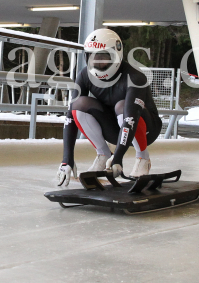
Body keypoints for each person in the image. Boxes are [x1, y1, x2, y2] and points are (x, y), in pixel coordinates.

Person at [56, 28, 161, 187]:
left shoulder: (135, 77)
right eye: (92, 57)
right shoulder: (84, 75)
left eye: (102, 57)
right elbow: (70, 116)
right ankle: (103, 154)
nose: (97, 63)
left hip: (145, 129)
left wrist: (118, 157)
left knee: (122, 105)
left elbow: (131, 117)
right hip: (115, 129)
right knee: (78, 104)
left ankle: (143, 157)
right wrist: (67, 159)